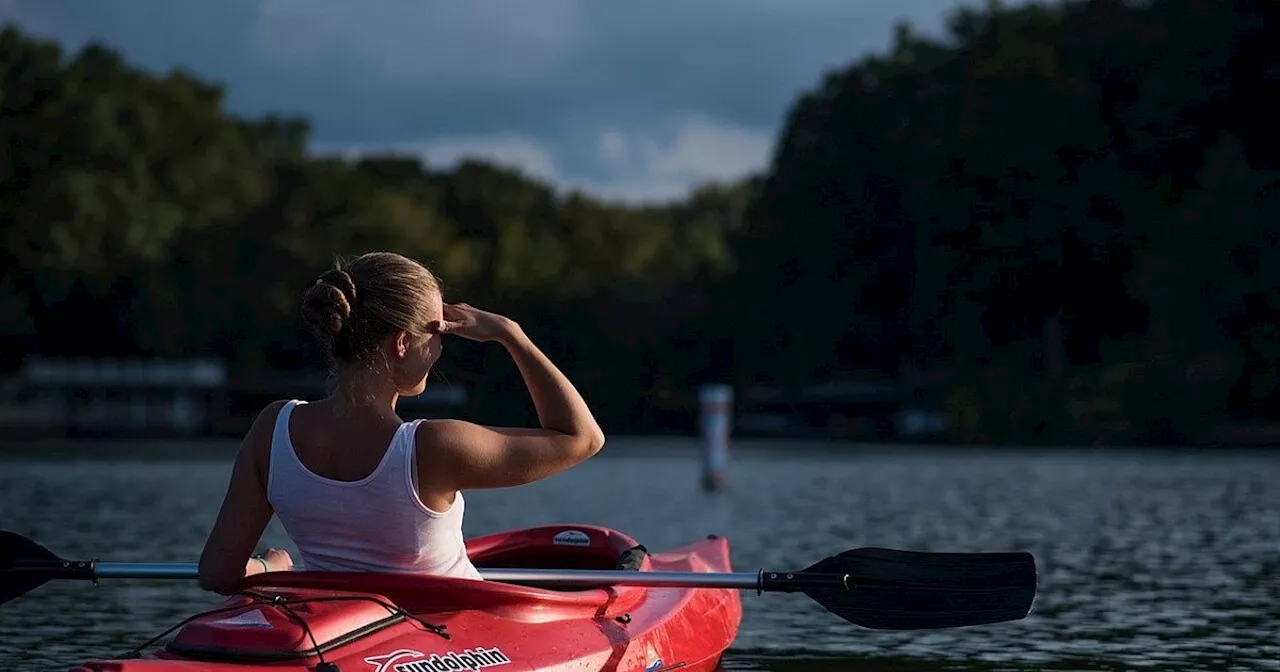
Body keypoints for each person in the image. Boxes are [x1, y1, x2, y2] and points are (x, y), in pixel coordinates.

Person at [197, 252, 606, 594]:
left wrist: (272, 571)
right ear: (403, 343)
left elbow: (218, 574)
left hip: (345, 636)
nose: (442, 345)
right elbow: (582, 437)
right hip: (448, 643)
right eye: (439, 330)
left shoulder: (273, 428)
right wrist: (510, 334)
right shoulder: (433, 446)